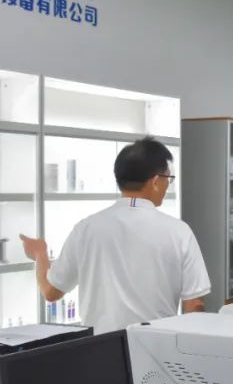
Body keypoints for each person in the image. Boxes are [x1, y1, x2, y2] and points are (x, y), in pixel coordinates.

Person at [20, 137, 211, 332]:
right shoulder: (179, 232)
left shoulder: (85, 229)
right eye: (167, 179)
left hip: (99, 346)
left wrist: (40, 254)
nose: (167, 185)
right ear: (155, 181)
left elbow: (51, 292)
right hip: (157, 345)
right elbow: (194, 305)